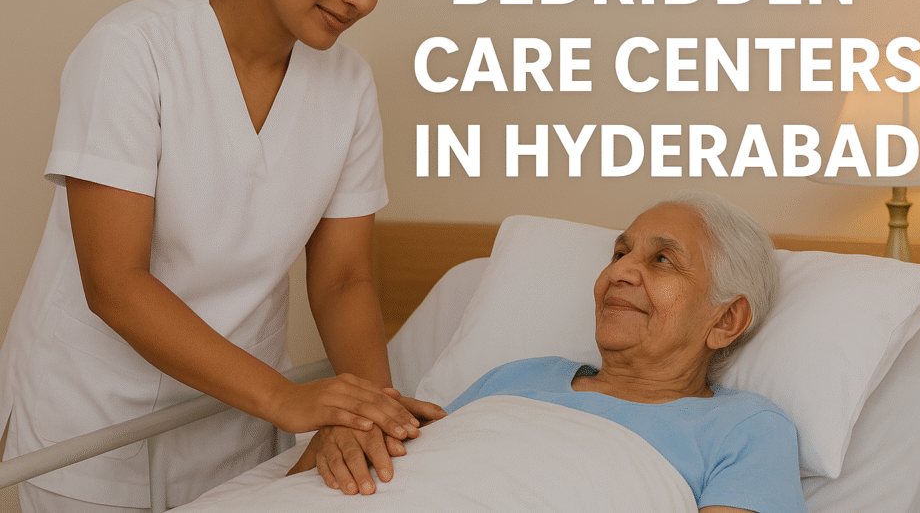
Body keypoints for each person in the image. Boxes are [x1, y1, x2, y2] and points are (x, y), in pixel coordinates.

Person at [0, 0, 444, 511]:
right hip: (93, 429)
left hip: (231, 431)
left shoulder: (349, 85)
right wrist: (288, 398)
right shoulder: (133, 50)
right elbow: (115, 282)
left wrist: (369, 413)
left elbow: (344, 278)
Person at [292, 191, 806, 513]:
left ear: (726, 320)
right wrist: (347, 431)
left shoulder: (744, 429)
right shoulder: (515, 378)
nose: (620, 271)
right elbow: (410, 473)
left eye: (663, 260)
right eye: (620, 252)